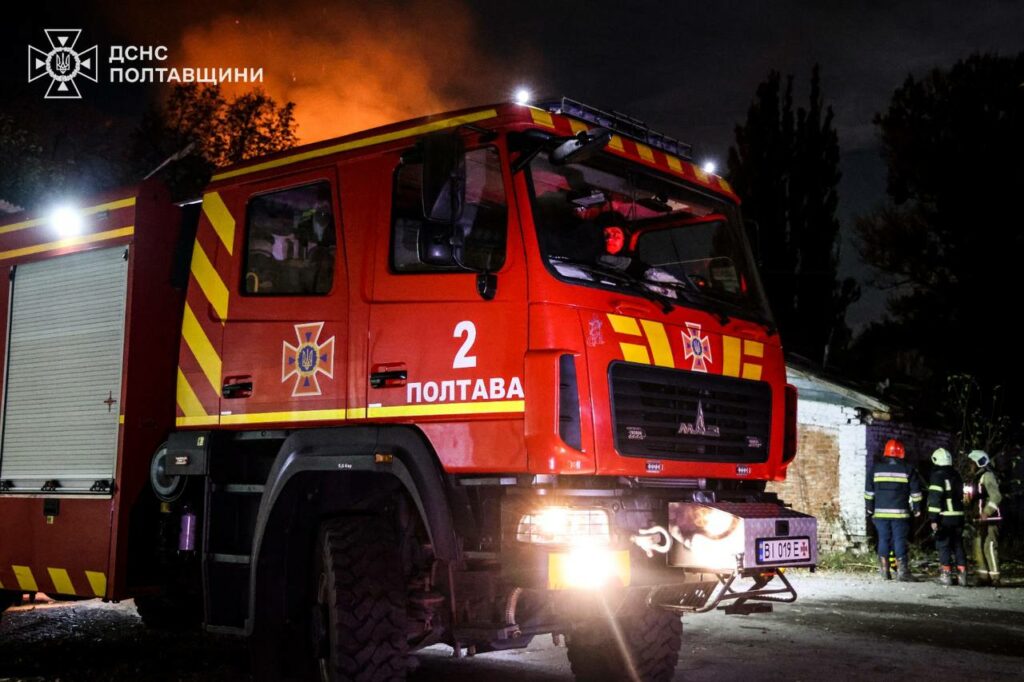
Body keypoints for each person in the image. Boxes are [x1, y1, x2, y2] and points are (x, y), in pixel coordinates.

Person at [865, 438, 923, 581]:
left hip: (880, 514)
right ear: (901, 453)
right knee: (899, 540)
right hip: (900, 514)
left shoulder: (875, 469)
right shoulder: (908, 469)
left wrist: (870, 509)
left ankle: (884, 572)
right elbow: (916, 492)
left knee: (883, 539)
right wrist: (917, 508)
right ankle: (902, 572)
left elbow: (869, 492)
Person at [927, 448, 967, 586]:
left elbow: (935, 499)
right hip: (959, 517)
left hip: (945, 517)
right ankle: (963, 576)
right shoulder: (956, 475)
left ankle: (946, 575)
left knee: (943, 545)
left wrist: (933, 518)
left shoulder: (937, 475)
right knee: (958, 545)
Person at [967, 449, 1002, 586]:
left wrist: (987, 512)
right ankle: (983, 576)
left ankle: (995, 577)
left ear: (977, 462)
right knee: (978, 546)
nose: (970, 465)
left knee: (989, 545)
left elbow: (996, 496)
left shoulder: (988, 476)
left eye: (972, 462)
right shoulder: (977, 477)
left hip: (990, 519)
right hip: (979, 518)